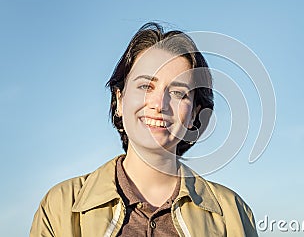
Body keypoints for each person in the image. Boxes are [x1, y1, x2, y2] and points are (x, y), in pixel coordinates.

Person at [30, 22, 258, 237]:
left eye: (178, 93)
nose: (159, 104)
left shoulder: (233, 214)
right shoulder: (60, 207)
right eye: (145, 86)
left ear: (194, 115)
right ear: (119, 100)